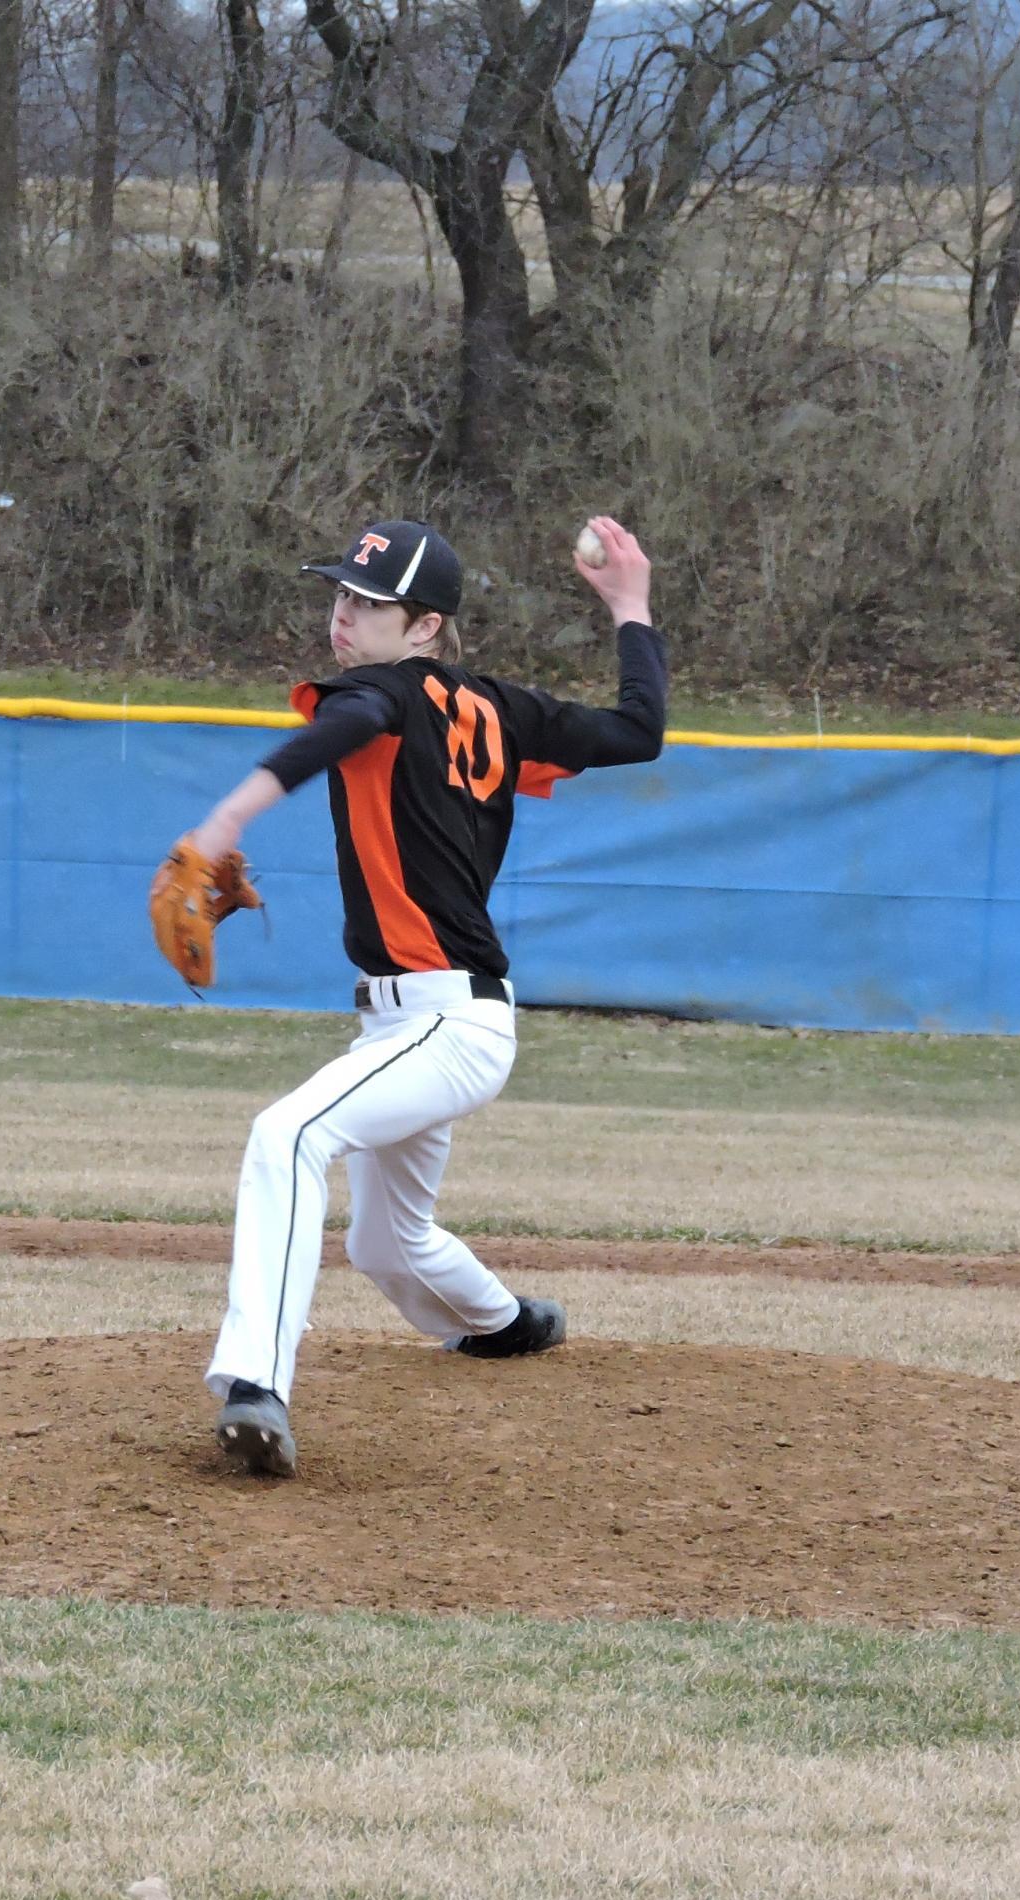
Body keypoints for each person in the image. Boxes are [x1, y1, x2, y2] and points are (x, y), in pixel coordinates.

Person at [177, 514, 669, 1476]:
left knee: (287, 1136)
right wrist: (631, 610)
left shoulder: (380, 695)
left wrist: (219, 825)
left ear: (425, 627)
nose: (344, 614)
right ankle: (506, 1325)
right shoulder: (499, 710)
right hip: (420, 1021)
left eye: (371, 603)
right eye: (341, 594)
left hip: (449, 1020)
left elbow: (345, 728)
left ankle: (253, 1385)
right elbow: (638, 731)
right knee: (385, 1241)